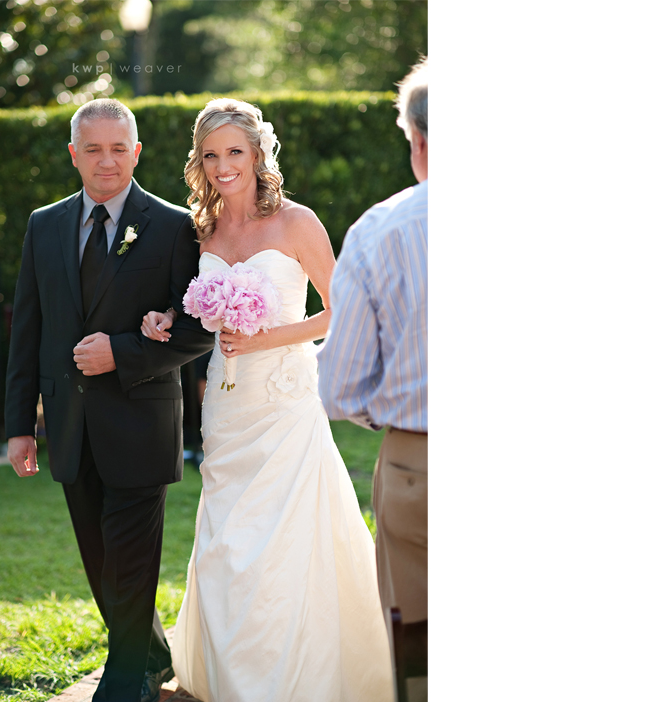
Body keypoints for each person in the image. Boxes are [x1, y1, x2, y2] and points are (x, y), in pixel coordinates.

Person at [140, 98, 393, 702]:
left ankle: (298, 674)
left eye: (234, 151)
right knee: (228, 535)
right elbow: (191, 307)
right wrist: (166, 318)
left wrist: (269, 338)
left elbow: (344, 310)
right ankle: (233, 672)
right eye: (210, 155)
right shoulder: (201, 228)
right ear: (199, 163)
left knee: (287, 536)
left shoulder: (297, 223)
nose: (223, 165)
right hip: (225, 405)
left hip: (284, 401)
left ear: (257, 154)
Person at [4, 98, 215, 702]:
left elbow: (196, 330)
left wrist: (121, 352)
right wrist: (19, 425)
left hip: (140, 421)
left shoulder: (173, 226)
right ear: (74, 154)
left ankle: (125, 681)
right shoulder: (44, 225)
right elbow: (29, 331)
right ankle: (149, 653)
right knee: (99, 560)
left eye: (118, 148)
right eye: (93, 149)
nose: (107, 161)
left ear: (137, 152)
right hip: (69, 423)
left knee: (129, 555)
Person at [317, 57, 428, 701]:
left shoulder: (380, 230)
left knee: (421, 649)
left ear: (417, 140)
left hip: (420, 462)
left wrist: (390, 411)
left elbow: (341, 386)